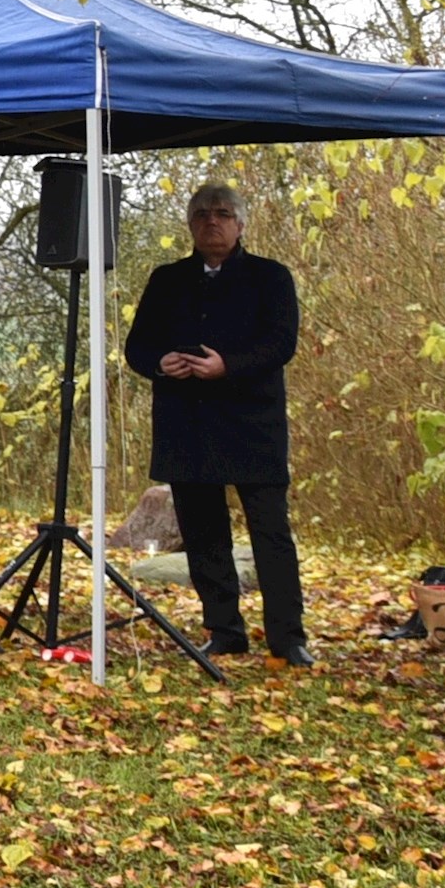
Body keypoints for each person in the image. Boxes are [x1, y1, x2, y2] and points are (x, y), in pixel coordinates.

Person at [123, 181, 308, 665]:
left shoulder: (271, 277)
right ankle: (224, 629)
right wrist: (160, 362)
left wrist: (229, 364)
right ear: (189, 224)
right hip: (188, 423)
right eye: (202, 213)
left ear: (241, 224)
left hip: (252, 422)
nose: (212, 221)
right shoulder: (167, 279)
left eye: (222, 213)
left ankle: (288, 638)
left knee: (270, 532)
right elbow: (137, 346)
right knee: (204, 533)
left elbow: (281, 342)